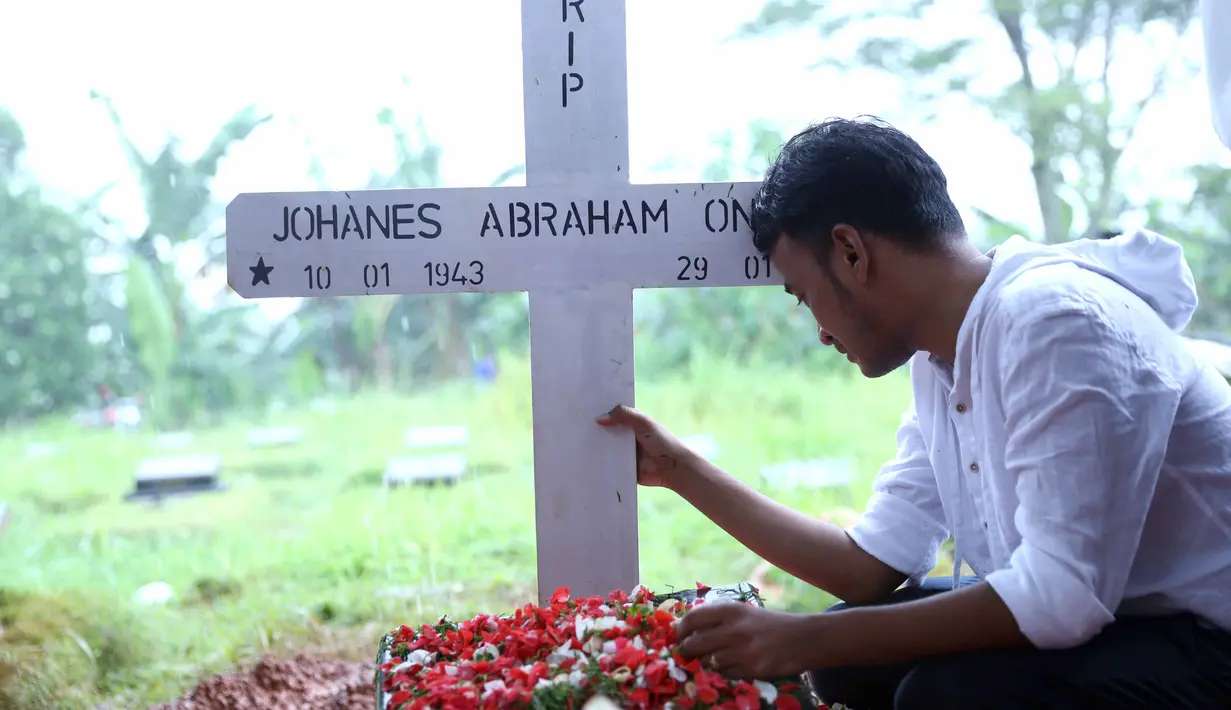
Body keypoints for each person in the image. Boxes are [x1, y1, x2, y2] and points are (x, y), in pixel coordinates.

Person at [595, 116, 1231, 709]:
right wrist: (678, 469)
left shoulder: (1055, 320)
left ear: (851, 252)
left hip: (1208, 638)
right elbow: (866, 568)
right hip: (1128, 618)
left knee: (942, 695)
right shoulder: (944, 359)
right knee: (848, 655)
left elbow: (1063, 597)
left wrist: (799, 640)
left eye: (803, 295)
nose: (818, 329)